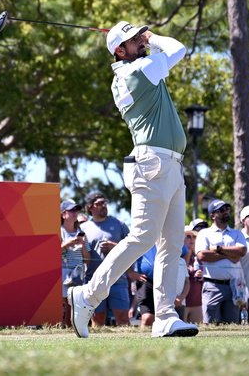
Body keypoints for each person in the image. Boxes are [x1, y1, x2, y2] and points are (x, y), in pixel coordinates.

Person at [67, 23, 198, 338]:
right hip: (154, 164)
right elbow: (178, 49)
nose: (141, 40)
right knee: (142, 237)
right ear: (119, 51)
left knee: (171, 243)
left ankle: (165, 316)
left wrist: (143, 40)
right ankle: (88, 295)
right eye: (133, 39)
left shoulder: (134, 70)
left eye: (141, 35)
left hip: (168, 165)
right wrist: (153, 39)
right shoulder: (138, 70)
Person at [79, 192, 133, 328]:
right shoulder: (83, 228)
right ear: (90, 208)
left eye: (105, 203)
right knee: (97, 321)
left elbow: (132, 248)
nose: (103, 206)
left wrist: (114, 247)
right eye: (99, 204)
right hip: (94, 280)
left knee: (123, 319)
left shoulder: (119, 224)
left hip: (117, 280)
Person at [196, 199, 248, 324]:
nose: (226, 212)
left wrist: (218, 249)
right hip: (212, 286)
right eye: (221, 210)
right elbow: (202, 255)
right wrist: (229, 255)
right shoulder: (204, 233)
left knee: (232, 327)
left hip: (233, 287)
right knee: (210, 326)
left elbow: (242, 251)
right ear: (212, 215)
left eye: (227, 209)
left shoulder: (237, 233)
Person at [61, 199, 91, 327]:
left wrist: (83, 246)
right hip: (60, 273)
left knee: (72, 305)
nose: (75, 212)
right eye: (71, 210)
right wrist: (66, 245)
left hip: (77, 274)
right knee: (61, 304)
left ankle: (69, 329)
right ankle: (58, 329)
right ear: (63, 214)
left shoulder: (81, 233)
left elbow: (87, 260)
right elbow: (49, 255)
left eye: (76, 210)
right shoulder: (58, 231)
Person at [183, 223, 204, 324]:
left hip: (197, 303)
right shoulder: (177, 257)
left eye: (194, 237)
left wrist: (203, 276)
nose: (192, 239)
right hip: (181, 302)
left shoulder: (199, 257)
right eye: (188, 236)